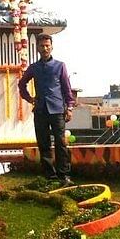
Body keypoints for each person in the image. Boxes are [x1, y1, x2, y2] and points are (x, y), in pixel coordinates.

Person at [18, 33, 74, 183]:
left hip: (57, 110)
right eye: (42, 46)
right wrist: (30, 98)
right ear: (37, 48)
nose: (45, 48)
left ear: (52, 47)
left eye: (47, 46)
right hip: (41, 110)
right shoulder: (33, 68)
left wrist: (69, 108)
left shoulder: (60, 66)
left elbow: (67, 89)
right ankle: (50, 176)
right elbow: (21, 84)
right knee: (44, 144)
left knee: (61, 143)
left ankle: (64, 176)